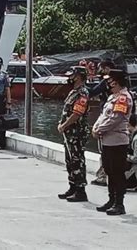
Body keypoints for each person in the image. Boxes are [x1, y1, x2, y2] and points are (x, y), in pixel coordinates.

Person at [92, 69, 133, 215]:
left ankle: (119, 203)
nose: (108, 83)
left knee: (117, 172)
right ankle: (111, 199)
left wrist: (100, 130)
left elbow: (116, 118)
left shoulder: (123, 98)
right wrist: (96, 127)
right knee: (109, 171)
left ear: (117, 81)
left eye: (110, 80)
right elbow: (104, 115)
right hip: (107, 141)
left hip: (117, 141)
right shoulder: (112, 97)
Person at [57, 66, 90, 202]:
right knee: (70, 160)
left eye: (73, 75)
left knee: (77, 160)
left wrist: (64, 125)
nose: (70, 78)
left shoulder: (82, 93)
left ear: (78, 76)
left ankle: (81, 190)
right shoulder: (74, 92)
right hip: (69, 133)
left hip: (76, 132)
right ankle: (72, 186)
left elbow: (77, 113)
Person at [89, 59, 116, 186]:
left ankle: (105, 176)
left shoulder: (107, 82)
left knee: (105, 149)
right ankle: (105, 175)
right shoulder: (117, 82)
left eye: (102, 68)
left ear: (107, 68)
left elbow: (93, 91)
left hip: (108, 117)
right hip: (113, 118)